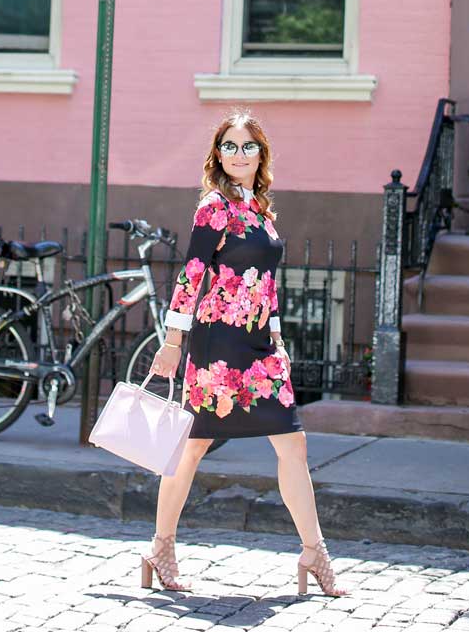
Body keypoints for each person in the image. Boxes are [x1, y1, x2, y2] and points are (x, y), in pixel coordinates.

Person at [144, 110, 348, 598]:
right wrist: (173, 342)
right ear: (218, 155)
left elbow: (268, 284)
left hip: (260, 348)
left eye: (248, 146)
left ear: (262, 153)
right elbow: (191, 273)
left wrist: (277, 338)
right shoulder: (214, 207)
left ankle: (313, 551)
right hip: (217, 344)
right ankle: (161, 547)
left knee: (292, 442)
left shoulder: (260, 209)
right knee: (192, 446)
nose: (239, 154)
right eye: (229, 146)